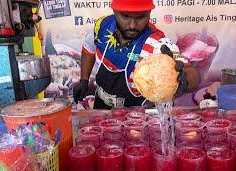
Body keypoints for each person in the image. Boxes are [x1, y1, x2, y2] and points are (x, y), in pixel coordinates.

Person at [73, 0, 201, 109]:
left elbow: (191, 72)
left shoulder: (158, 44)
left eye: (140, 17)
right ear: (114, 11)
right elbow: (89, 47)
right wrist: (84, 80)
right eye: (126, 16)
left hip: (136, 121)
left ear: (149, 13)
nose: (133, 25)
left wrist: (184, 78)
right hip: (101, 109)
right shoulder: (102, 25)